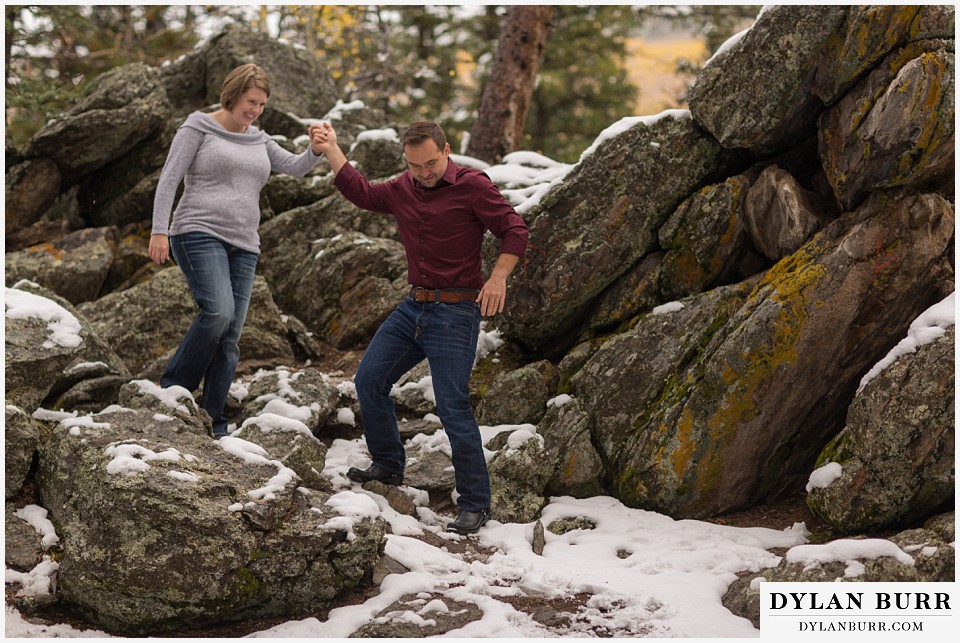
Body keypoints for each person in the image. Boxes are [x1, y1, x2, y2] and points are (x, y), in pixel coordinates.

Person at [312, 120, 528, 535]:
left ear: (446, 150)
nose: (424, 172)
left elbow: (514, 230)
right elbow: (363, 192)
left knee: (452, 406)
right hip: (414, 307)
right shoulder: (402, 187)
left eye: (431, 163)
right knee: (369, 380)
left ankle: (475, 504)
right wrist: (331, 148)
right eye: (415, 166)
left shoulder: (473, 185)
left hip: (457, 311)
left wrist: (498, 277)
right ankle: (389, 465)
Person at [149, 63, 325, 438]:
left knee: (230, 334)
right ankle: (173, 390)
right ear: (232, 95)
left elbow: (294, 167)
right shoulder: (198, 126)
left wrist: (315, 149)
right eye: (251, 102)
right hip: (198, 231)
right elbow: (169, 179)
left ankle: (214, 420)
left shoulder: (258, 139)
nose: (256, 111)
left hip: (245, 244)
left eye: (262, 104)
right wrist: (159, 230)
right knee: (217, 312)